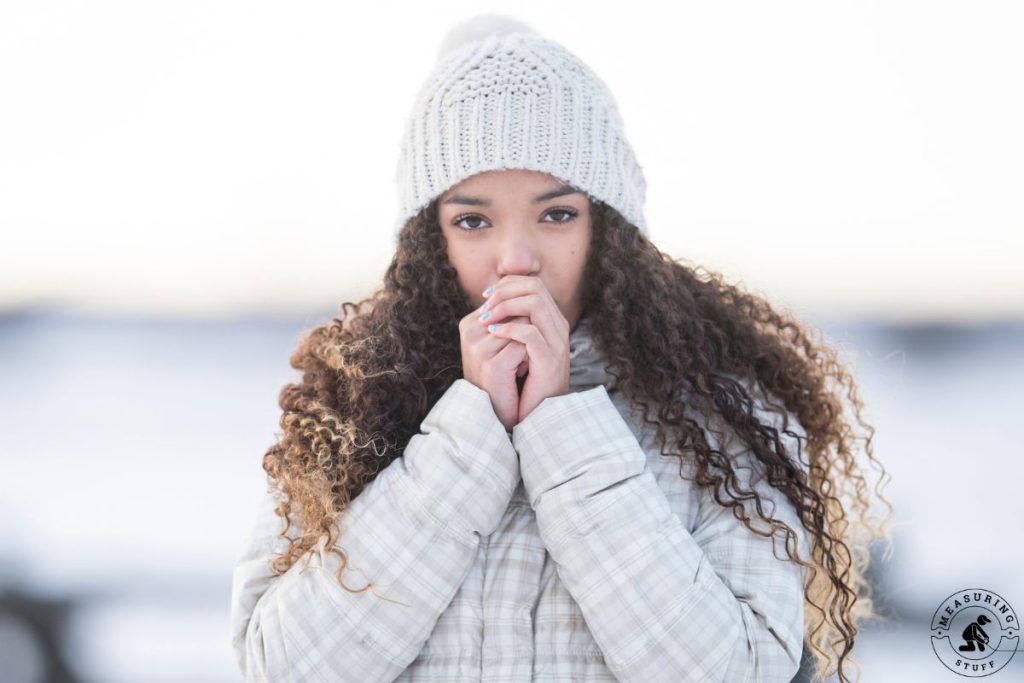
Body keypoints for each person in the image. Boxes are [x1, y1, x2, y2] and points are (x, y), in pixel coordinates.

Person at [229, 13, 892, 683]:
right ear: (431, 241)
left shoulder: (718, 415)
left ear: (609, 229)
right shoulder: (354, 409)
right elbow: (280, 666)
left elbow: (736, 671)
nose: (515, 259)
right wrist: (466, 437)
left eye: (556, 214)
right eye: (473, 220)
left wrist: (562, 427)